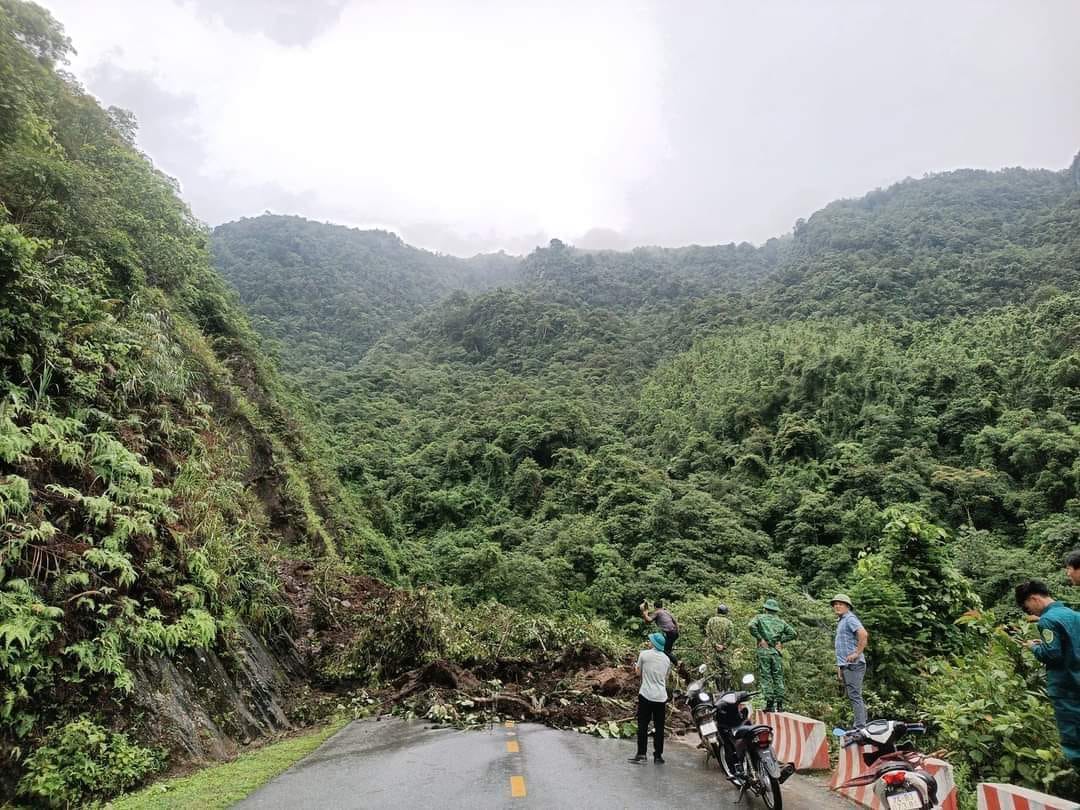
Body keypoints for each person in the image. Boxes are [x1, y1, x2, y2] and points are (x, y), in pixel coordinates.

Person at [1015, 580, 1080, 770]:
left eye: (1027, 608)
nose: (1031, 613)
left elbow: (1052, 655)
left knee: (1074, 742)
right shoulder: (1074, 615)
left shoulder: (1047, 620)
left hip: (1065, 688)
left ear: (1034, 598)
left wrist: (1034, 647)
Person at [628, 632, 672, 764]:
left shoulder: (644, 654)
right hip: (661, 697)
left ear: (653, 643)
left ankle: (641, 755)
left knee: (643, 725)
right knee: (659, 727)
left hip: (646, 694)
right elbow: (666, 678)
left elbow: (638, 672)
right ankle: (658, 756)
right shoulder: (667, 659)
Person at [748, 598, 796, 712]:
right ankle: (780, 705)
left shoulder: (759, 618)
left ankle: (769, 704)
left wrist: (760, 638)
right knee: (778, 677)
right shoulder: (781, 622)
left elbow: (751, 626)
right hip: (775, 652)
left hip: (764, 651)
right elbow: (793, 633)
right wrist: (781, 641)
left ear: (765, 609)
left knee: (766, 676)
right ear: (776, 610)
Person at [831, 593, 869, 729]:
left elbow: (863, 634)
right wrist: (840, 667)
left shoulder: (850, 618)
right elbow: (842, 646)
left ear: (847, 606)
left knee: (855, 695)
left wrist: (857, 653)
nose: (837, 606)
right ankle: (861, 724)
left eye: (840, 604)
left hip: (854, 664)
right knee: (854, 695)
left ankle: (860, 726)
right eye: (835, 604)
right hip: (846, 665)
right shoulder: (841, 621)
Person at [704, 604, 735, 689]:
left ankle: (718, 690)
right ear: (726, 612)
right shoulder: (729, 623)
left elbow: (708, 634)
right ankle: (726, 690)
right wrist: (723, 646)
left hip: (713, 651)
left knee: (715, 671)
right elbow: (731, 636)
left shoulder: (711, 621)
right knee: (727, 671)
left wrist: (715, 644)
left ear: (717, 611)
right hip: (724, 652)